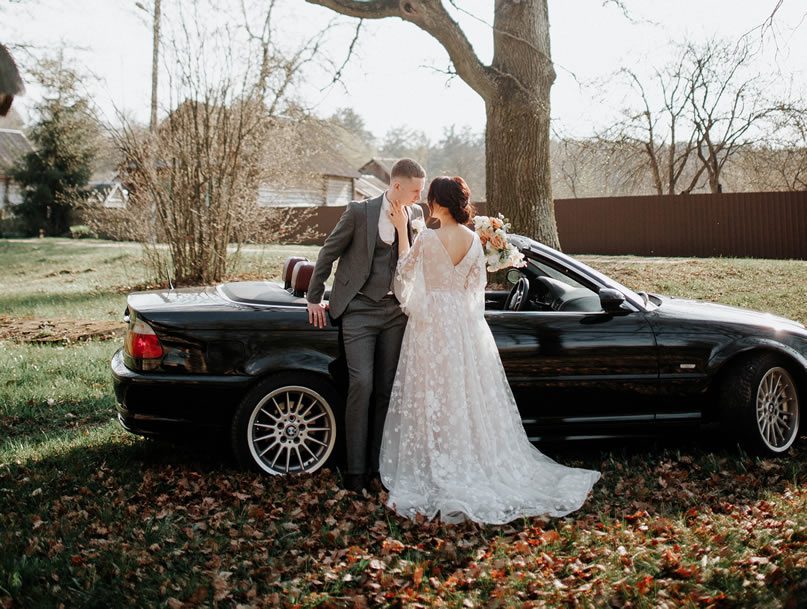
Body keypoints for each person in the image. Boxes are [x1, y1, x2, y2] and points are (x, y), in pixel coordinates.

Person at [380, 176, 600, 525]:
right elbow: (474, 291)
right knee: (465, 395)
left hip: (431, 324)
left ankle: (441, 459)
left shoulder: (426, 237)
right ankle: (467, 457)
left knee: (434, 393)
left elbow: (403, 275)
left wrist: (403, 232)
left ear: (437, 202)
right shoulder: (473, 241)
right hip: (465, 326)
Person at [306, 158, 426, 493]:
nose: (420, 196)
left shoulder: (415, 216)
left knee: (386, 390)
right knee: (362, 383)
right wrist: (314, 298)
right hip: (358, 308)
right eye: (416, 190)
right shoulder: (360, 212)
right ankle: (355, 470)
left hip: (394, 311)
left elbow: (412, 262)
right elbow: (328, 252)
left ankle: (377, 468)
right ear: (397, 185)